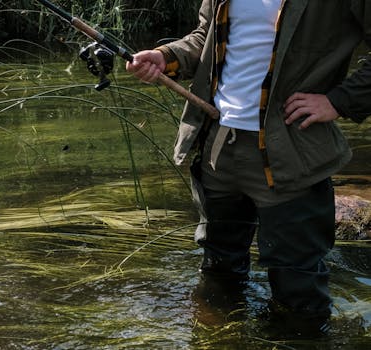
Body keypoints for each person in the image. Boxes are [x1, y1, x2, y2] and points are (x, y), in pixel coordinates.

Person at [126, 0, 371, 331]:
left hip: (292, 153)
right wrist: (166, 57)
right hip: (217, 147)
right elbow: (205, 38)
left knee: (299, 295)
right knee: (218, 275)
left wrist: (338, 101)